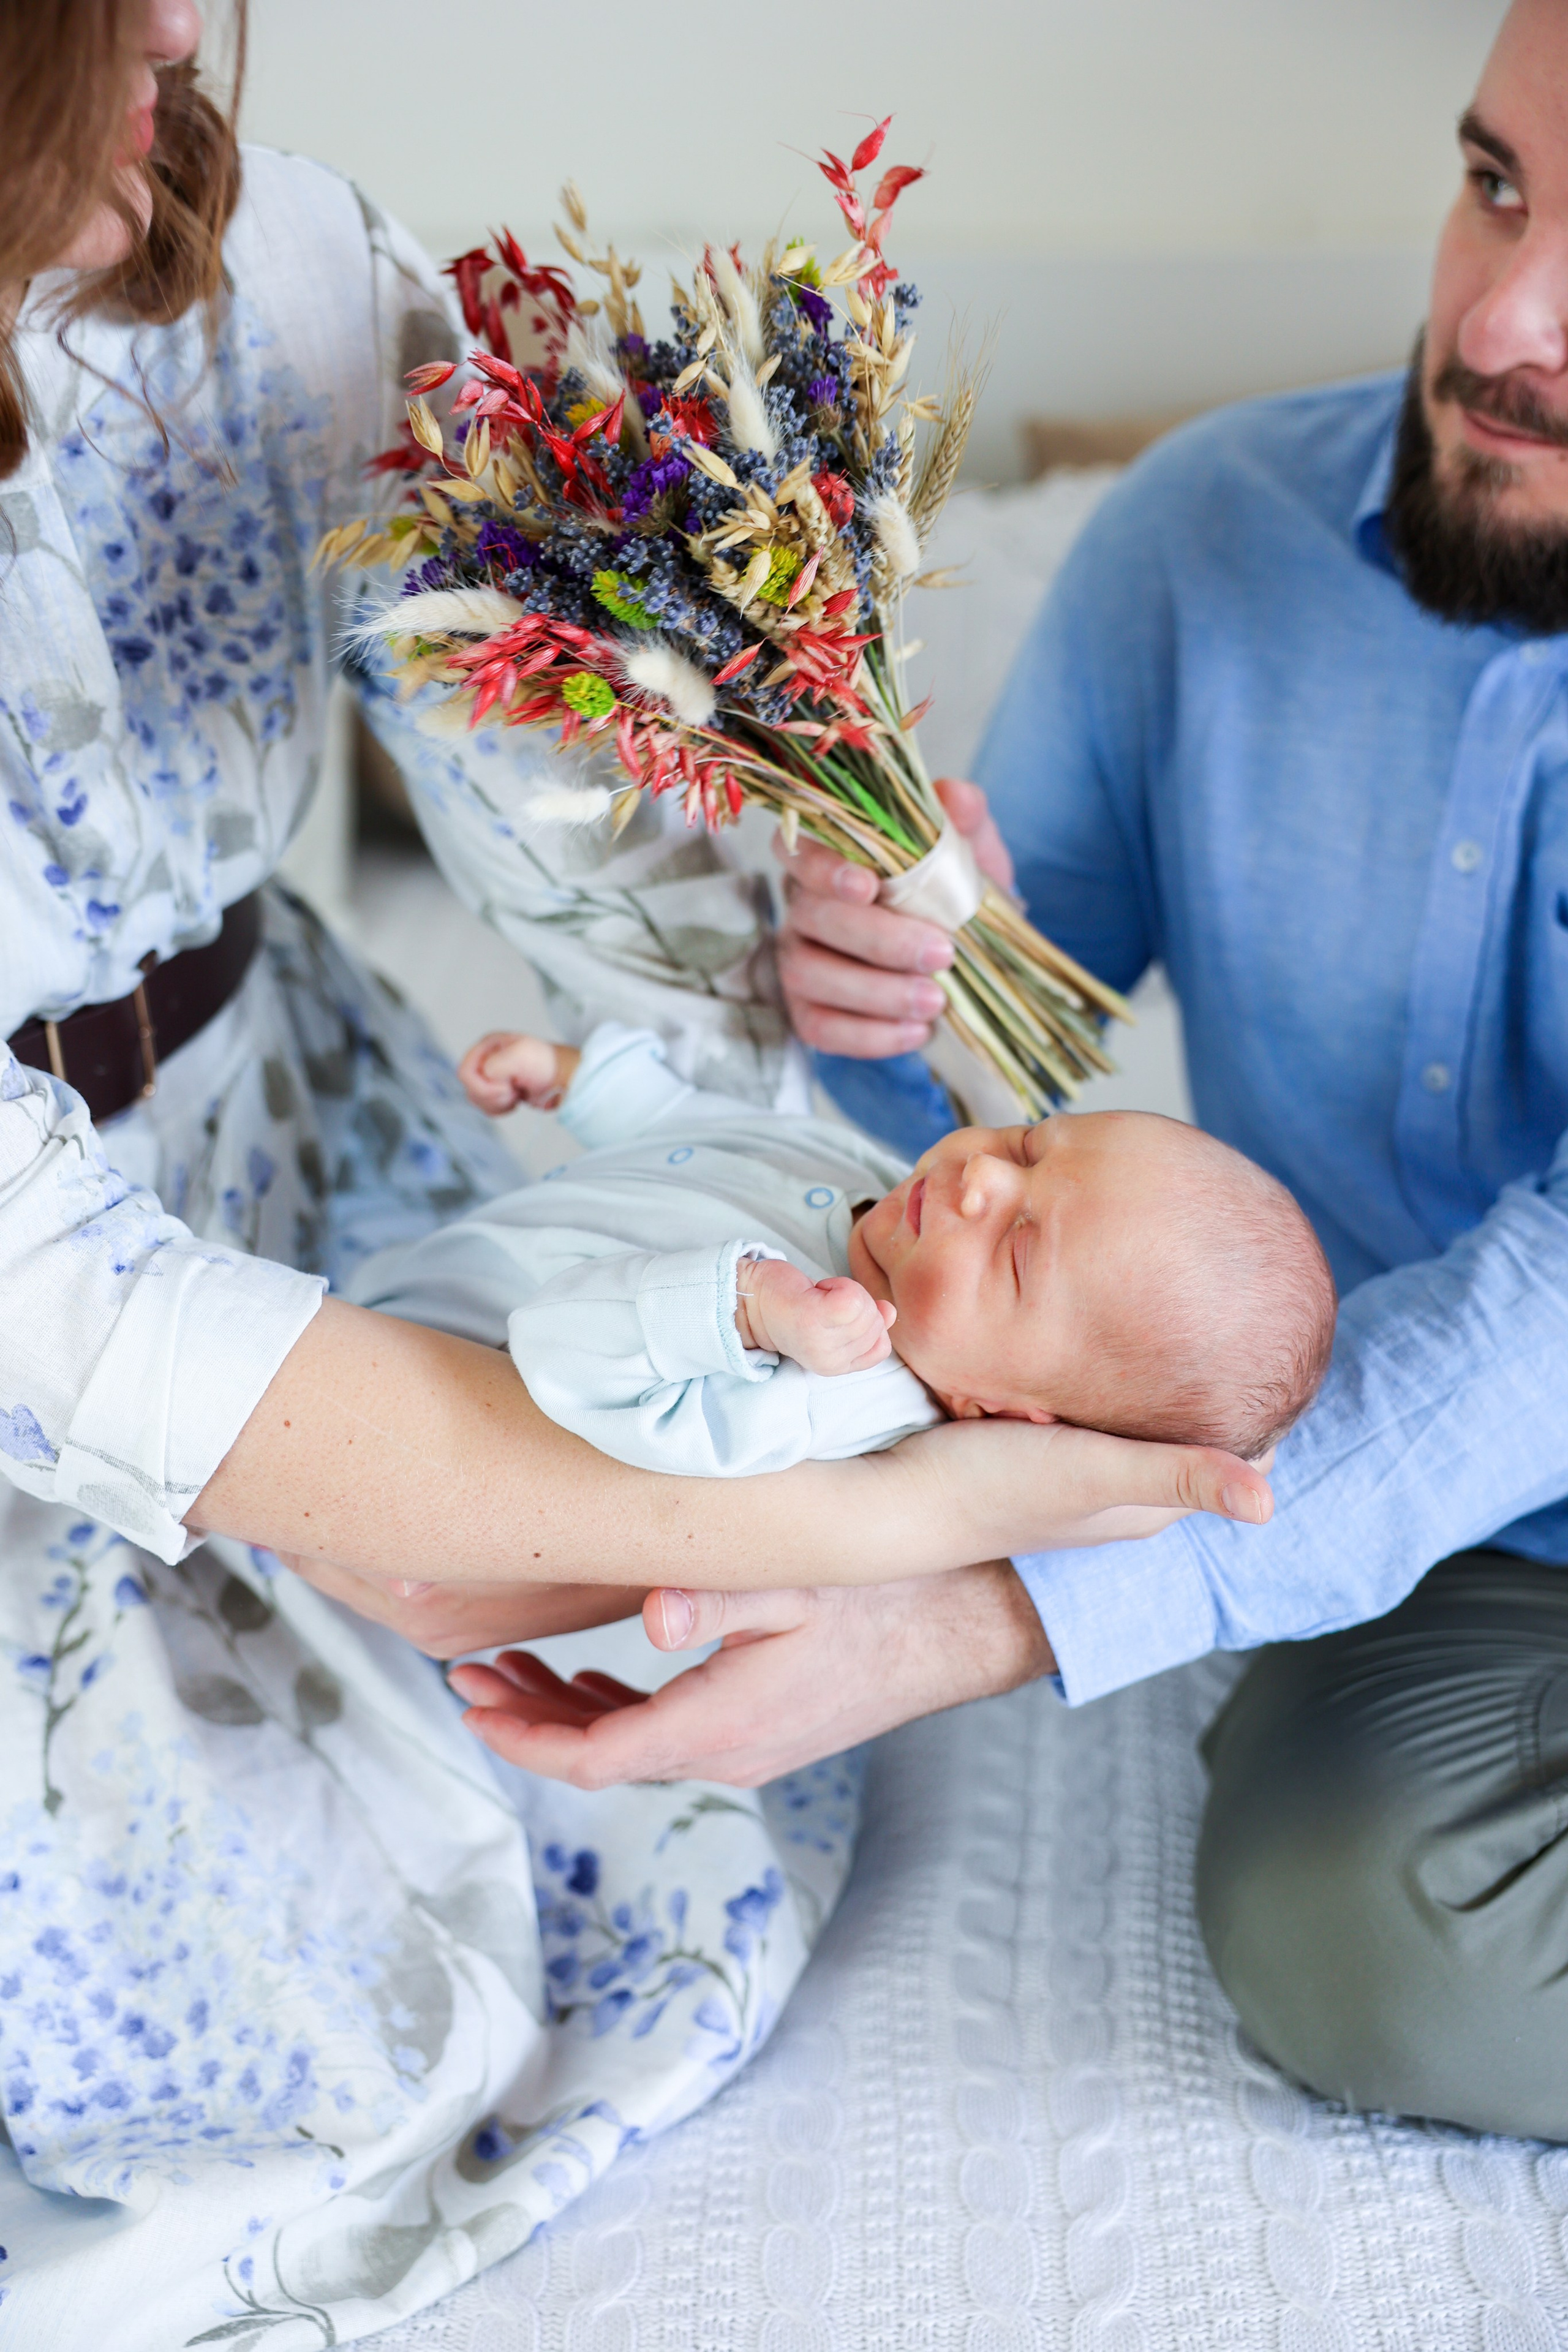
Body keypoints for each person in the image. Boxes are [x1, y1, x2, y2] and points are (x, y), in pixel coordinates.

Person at [0, 6, 1275, 2340]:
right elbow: (61, 1301)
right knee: (269, 2059)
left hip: (299, 1136)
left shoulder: (275, 271)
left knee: (614, 1850)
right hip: (60, 1335)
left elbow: (583, 836)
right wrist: (867, 1530)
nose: (187, 32)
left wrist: (798, 909)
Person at [649, 0, 1568, 2142]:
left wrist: (989, 1603)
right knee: (1357, 1922)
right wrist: (871, 979)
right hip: (1464, 1565)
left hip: (1413, 1463)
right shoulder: (1200, 544)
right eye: (1497, 181)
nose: (1502, 315)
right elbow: (963, 1141)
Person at [350, 1020, 1332, 1480]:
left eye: (1020, 1248)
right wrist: (589, 1084)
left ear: (998, 1408)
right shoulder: (883, 1199)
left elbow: (558, 1351)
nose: (984, 1179)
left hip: (395, 1371)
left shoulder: (827, 1401)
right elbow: (717, 1137)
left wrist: (742, 1310)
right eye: (1032, 1144)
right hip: (422, 1248)